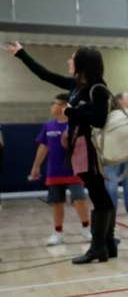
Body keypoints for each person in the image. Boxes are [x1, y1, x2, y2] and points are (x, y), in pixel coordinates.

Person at [5, 41, 115, 264]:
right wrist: (21, 54)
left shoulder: (98, 88)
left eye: (73, 58)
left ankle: (98, 248)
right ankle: (107, 246)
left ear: (83, 63)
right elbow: (45, 75)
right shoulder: (76, 86)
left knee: (99, 197)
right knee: (100, 197)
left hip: (90, 149)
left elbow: (99, 120)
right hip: (79, 148)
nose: (69, 61)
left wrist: (73, 112)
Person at [29, 93, 92, 246]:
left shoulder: (76, 124)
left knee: (79, 199)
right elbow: (43, 147)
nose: (51, 106)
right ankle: (58, 233)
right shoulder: (48, 126)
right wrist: (36, 166)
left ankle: (86, 229)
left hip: (74, 170)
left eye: (54, 103)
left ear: (64, 106)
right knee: (57, 202)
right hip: (54, 171)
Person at [102, 93, 128, 213]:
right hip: (112, 155)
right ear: (119, 101)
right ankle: (111, 210)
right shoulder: (106, 117)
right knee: (111, 186)